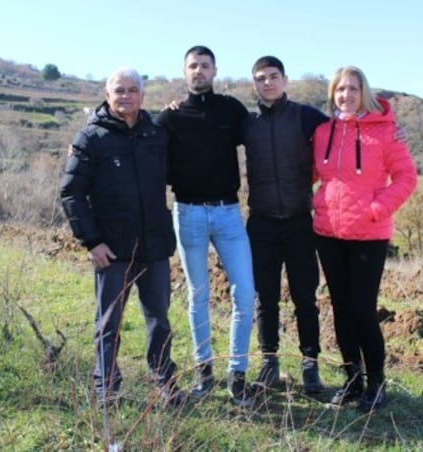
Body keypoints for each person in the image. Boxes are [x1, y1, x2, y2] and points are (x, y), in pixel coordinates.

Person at [60, 67, 185, 408]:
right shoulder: (90, 138)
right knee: (108, 322)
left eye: (132, 90)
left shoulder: (156, 135)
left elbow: (181, 171)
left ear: (142, 95)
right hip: (111, 250)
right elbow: (71, 193)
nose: (126, 96)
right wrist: (92, 241)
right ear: (107, 94)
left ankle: (164, 382)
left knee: (159, 320)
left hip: (154, 247)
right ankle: (106, 388)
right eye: (119, 90)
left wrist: (178, 111)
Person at [311, 65, 417, 411]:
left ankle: (376, 383)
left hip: (369, 236)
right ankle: (352, 381)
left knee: (362, 311)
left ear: (364, 92)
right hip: (329, 234)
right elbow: (311, 173)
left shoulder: (385, 132)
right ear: (333, 95)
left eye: (353, 89)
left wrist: (376, 209)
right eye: (340, 90)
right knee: (341, 311)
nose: (346, 95)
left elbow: (406, 178)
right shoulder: (323, 132)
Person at [155, 45, 256, 407]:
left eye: (205, 66)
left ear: (215, 71)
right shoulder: (169, 117)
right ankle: (204, 370)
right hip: (188, 213)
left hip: (229, 213)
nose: (199, 71)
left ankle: (238, 375)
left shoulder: (231, 109)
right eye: (193, 66)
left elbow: (266, 136)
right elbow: (134, 140)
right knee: (197, 295)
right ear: (184, 73)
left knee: (245, 293)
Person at [242, 56, 329, 396]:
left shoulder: (306, 116)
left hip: (298, 221)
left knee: (305, 297)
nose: (268, 83)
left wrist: (390, 125)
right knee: (265, 298)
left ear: (285, 80)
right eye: (261, 78)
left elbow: (346, 127)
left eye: (273, 76)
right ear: (254, 84)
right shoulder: (247, 123)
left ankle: (310, 364)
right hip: (261, 222)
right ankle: (269, 362)